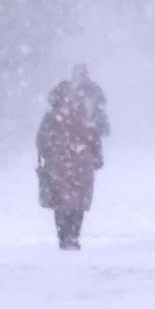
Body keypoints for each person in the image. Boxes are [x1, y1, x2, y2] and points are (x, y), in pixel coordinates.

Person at [36, 80, 104, 250]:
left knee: (61, 201)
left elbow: (41, 141)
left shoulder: (51, 117)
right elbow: (93, 137)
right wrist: (96, 157)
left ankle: (64, 235)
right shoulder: (83, 115)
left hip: (59, 164)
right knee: (78, 201)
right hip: (82, 163)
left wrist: (49, 152)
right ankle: (74, 235)